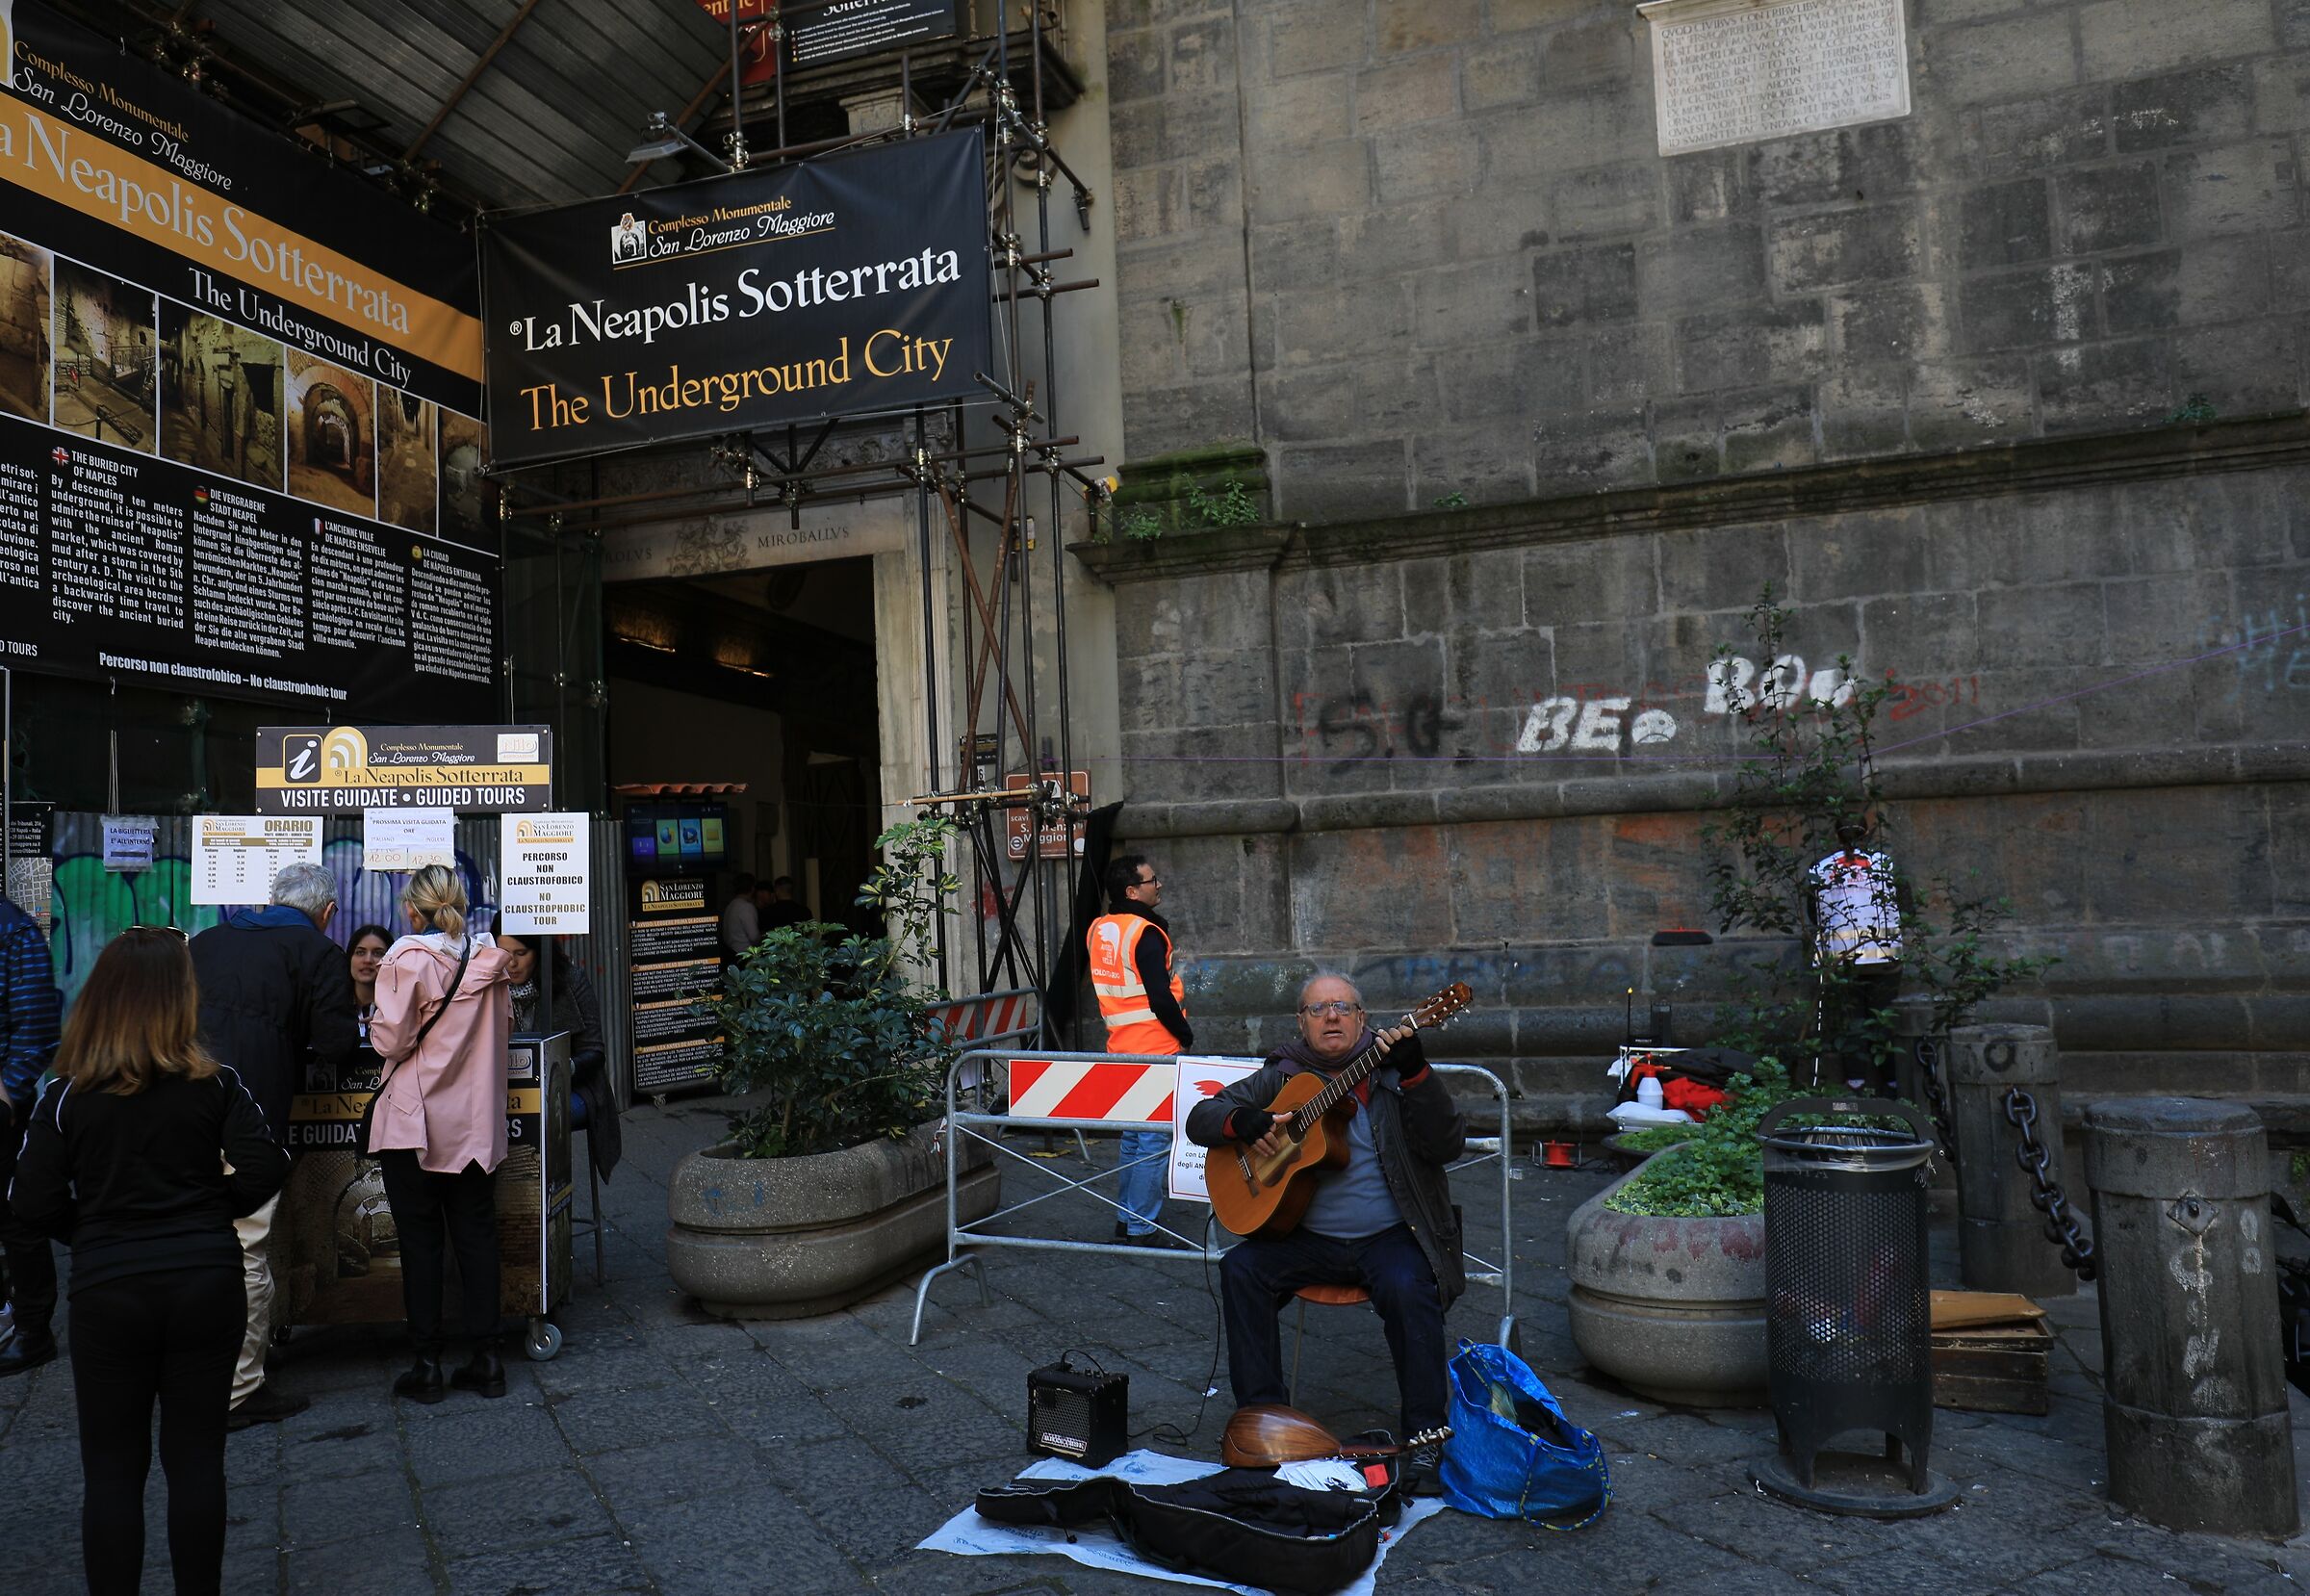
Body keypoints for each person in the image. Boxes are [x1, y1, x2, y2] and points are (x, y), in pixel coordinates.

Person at [10, 926, 289, 1596]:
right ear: (180, 1001)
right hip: (204, 1281)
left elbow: (29, 1202)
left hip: (110, 1291)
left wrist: (93, 1233)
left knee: (111, 1470)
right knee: (197, 1461)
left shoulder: (66, 1098)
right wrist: (207, 1210)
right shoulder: (215, 1084)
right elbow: (267, 1164)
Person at [1185, 973, 1463, 1494]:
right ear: (1301, 1022)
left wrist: (1418, 1074)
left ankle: (1426, 1438)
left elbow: (1447, 1143)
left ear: (1362, 1017)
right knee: (1240, 1269)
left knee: (1409, 1286)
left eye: (1342, 1007)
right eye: (1318, 1010)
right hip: (1307, 1239)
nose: (1330, 1017)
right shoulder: (1283, 1074)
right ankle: (1262, 1429)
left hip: (1390, 1234)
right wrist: (1241, 1121)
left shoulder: (1391, 1072)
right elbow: (1201, 1117)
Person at [189, 861, 357, 1428]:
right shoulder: (318, 953)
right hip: (250, 1121)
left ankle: (189, 1369)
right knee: (245, 1249)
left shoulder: (206, 941)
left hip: (179, 1113)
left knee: (190, 1241)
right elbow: (335, 1044)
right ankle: (237, 1390)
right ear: (327, 914)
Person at [369, 864, 513, 1403]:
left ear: (412, 909)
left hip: (416, 1123)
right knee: (477, 1238)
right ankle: (488, 1358)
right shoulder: (490, 962)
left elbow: (389, 1042)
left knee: (421, 1244)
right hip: (474, 1125)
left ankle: (426, 1364)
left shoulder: (406, 959)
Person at [1087, 854, 1194, 1248]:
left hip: (1120, 1047)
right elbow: (1161, 999)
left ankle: (1126, 1217)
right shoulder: (1145, 933)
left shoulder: (1099, 929)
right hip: (1156, 1048)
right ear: (1132, 891)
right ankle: (1141, 1226)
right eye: (1151, 880)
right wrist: (1185, 1033)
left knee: (1133, 1137)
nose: (1158, 885)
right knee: (1152, 1142)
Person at [499, 932, 621, 1183]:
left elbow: (595, 1052)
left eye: (521, 954)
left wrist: (562, 1067)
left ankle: (547, 1198)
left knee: (536, 1116)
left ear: (540, 953)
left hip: (571, 1088)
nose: (511, 963)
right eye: (503, 954)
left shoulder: (570, 980)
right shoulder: (489, 985)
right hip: (506, 1092)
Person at [0, 890, 62, 1377]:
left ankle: (32, 1330)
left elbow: (37, 1027)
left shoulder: (13, 930)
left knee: (17, 1219)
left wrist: (7, 1096)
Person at [1810, 816, 1905, 1093]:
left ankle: (1856, 1084)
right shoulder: (1884, 864)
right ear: (1866, 835)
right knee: (1885, 1019)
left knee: (1851, 1022)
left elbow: (1813, 913)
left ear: (1837, 836)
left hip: (1840, 957)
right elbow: (1904, 903)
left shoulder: (1820, 868)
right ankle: (1892, 1083)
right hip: (1886, 956)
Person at [339, 923, 394, 1090]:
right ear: (349, 959)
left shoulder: (401, 1012)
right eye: (360, 952)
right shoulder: (332, 1009)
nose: (368, 960)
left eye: (378, 953)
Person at [719, 873, 760, 961]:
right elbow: (754, 937)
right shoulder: (746, 907)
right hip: (746, 956)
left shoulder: (730, 906)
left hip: (731, 953)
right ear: (752, 889)